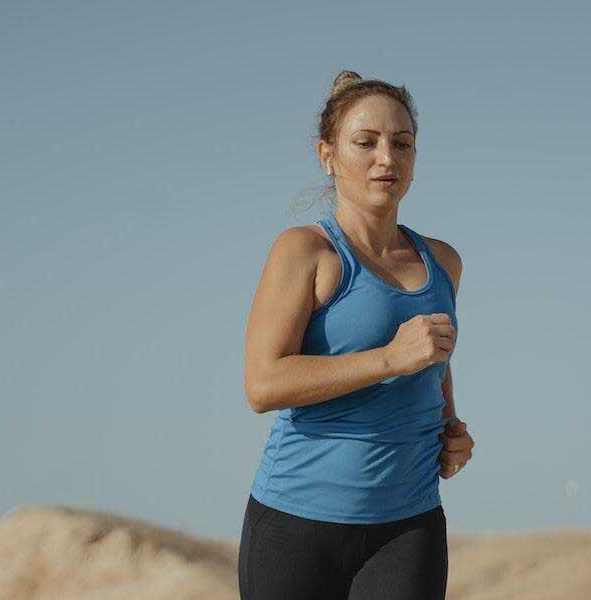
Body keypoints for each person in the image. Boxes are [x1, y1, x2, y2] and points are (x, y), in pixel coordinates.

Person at [238, 69, 474, 600]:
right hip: (296, 527)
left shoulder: (444, 262)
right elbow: (263, 384)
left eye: (401, 143)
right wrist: (390, 358)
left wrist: (450, 428)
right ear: (328, 156)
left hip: (409, 526)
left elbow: (433, 360)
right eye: (365, 143)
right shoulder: (305, 251)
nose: (386, 158)